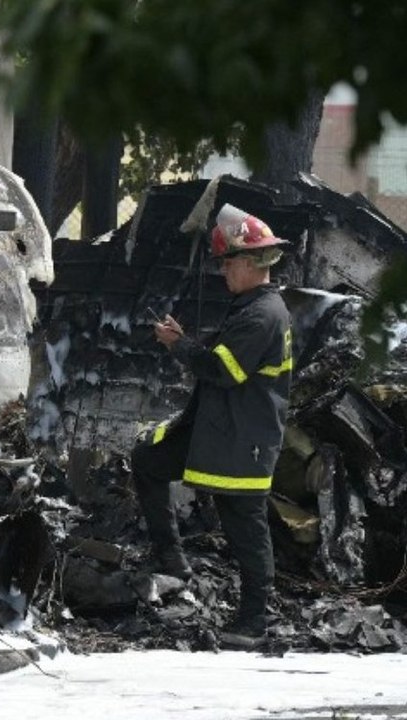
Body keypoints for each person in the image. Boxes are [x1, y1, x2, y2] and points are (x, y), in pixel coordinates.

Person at [132, 204, 293, 648]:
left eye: (227, 264)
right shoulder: (255, 307)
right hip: (219, 433)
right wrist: (186, 343)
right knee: (147, 459)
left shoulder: (262, 314)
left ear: (247, 262)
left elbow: (224, 371)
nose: (224, 273)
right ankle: (173, 560)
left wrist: (179, 345)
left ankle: (254, 620)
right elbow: (223, 362)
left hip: (242, 442)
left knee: (246, 526)